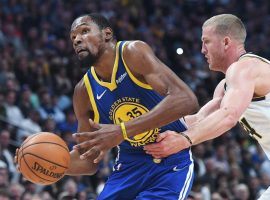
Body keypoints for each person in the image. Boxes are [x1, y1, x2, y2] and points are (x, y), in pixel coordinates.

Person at [15, 13, 199, 199]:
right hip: (128, 167)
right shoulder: (83, 91)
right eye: (73, 38)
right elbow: (88, 160)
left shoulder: (133, 53)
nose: (77, 39)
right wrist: (43, 163)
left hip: (170, 160)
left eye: (84, 31)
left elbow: (186, 100)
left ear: (107, 34)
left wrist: (122, 131)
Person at [144, 14, 270, 199]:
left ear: (226, 42)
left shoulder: (245, 68)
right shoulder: (227, 84)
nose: (202, 50)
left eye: (206, 42)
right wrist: (144, 128)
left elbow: (228, 116)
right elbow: (199, 119)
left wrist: (184, 140)